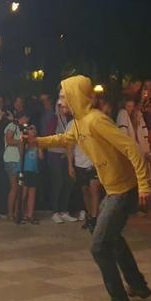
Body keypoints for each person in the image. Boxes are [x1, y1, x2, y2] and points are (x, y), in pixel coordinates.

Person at [32, 75, 151, 301]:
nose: (60, 101)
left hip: (123, 190)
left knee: (99, 246)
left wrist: (144, 186)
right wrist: (37, 141)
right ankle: (138, 285)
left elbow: (131, 148)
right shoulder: (78, 123)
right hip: (115, 189)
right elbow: (64, 139)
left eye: (64, 96)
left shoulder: (96, 121)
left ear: (76, 96)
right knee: (113, 238)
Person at [42, 95, 76, 224]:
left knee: (68, 181)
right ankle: (55, 211)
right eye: (62, 106)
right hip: (54, 154)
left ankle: (64, 210)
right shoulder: (53, 118)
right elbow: (49, 137)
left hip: (66, 154)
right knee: (58, 182)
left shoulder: (68, 119)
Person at [68, 116, 102, 232]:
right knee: (85, 191)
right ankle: (89, 215)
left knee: (94, 190)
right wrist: (70, 165)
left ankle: (94, 218)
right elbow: (70, 146)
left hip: (93, 163)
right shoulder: (72, 125)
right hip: (79, 163)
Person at [4, 112, 29, 223]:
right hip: (11, 159)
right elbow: (8, 140)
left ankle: (16, 212)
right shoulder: (12, 126)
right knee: (14, 188)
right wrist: (20, 142)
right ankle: (10, 213)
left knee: (19, 189)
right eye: (26, 117)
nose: (27, 120)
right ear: (21, 117)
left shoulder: (22, 128)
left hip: (19, 160)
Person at [19, 125, 42, 225]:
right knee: (23, 194)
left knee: (32, 194)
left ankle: (30, 215)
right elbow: (21, 153)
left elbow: (41, 157)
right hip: (25, 170)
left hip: (34, 171)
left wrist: (39, 147)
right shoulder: (25, 142)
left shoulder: (38, 143)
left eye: (33, 129)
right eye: (30, 129)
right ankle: (21, 214)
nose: (32, 131)